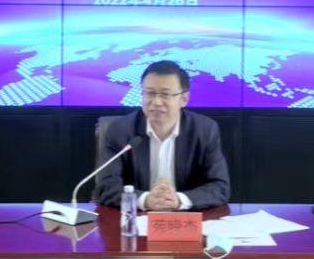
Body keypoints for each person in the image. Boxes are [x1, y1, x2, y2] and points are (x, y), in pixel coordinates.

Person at [95, 60, 230, 210]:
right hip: (137, 218)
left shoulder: (204, 130)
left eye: (165, 94)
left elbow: (220, 187)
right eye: (150, 93)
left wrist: (178, 200)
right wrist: (146, 200)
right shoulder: (120, 130)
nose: (156, 102)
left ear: (184, 99)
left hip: (187, 218)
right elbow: (106, 187)